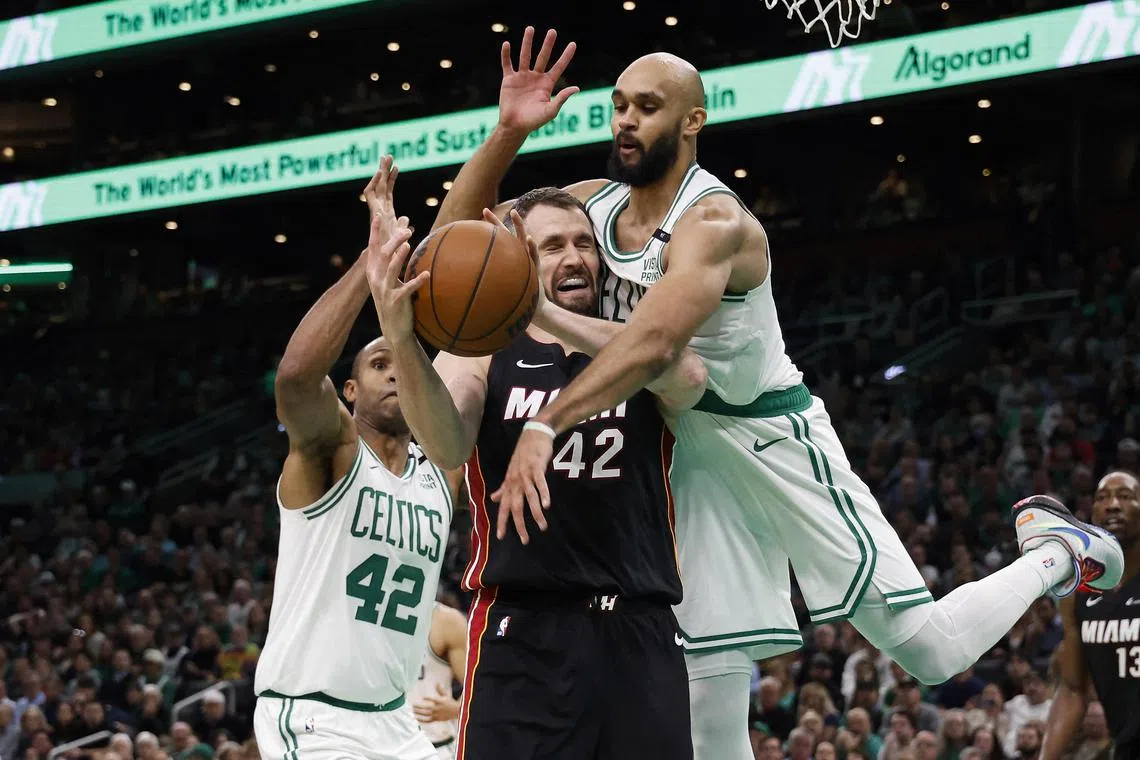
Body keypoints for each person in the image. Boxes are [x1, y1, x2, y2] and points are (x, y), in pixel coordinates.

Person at [431, 26, 1124, 760]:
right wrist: (505, 134)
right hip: (678, 451)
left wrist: (547, 423)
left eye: (649, 107)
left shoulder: (714, 223)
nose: (627, 122)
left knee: (929, 648)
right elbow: (450, 251)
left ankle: (1056, 553)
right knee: (705, 687)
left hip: (766, 438)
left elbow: (660, 345)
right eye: (619, 106)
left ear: (692, 121)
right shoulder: (590, 209)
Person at [376, 184, 707, 758]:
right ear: (516, 257)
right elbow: (447, 443)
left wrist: (545, 310)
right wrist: (404, 342)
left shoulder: (636, 343)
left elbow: (687, 376)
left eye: (585, 243)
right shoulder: (481, 352)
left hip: (638, 630)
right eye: (551, 246)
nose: (574, 256)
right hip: (520, 632)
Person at [252, 158, 464, 760]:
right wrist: (368, 268)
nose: (395, 370)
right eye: (377, 365)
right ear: (349, 392)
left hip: (397, 724)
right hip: (314, 718)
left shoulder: (441, 470)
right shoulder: (333, 456)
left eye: (400, 359)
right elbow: (295, 378)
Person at [1040, 470, 1140, 760]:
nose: (1112, 505)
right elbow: (1073, 690)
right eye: (1102, 498)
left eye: (1125, 497)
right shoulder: (1078, 592)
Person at [409, 603, 467, 759]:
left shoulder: (447, 620)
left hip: (434, 746)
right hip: (377, 742)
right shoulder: (369, 615)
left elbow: (478, 684)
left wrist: (456, 709)